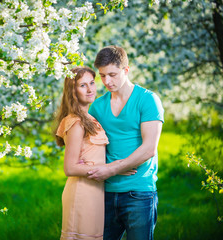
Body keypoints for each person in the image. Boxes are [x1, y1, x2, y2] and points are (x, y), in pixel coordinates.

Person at [87, 45, 164, 240]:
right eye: (102, 76)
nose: (107, 81)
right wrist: (105, 169)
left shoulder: (148, 100)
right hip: (104, 192)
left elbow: (149, 149)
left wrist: (113, 168)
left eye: (112, 74)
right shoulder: (97, 106)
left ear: (126, 70)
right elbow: (88, 148)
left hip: (138, 192)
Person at [54, 66, 136, 240]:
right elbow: (70, 168)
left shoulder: (90, 118)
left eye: (92, 82)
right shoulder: (76, 122)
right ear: (72, 90)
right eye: (83, 85)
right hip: (81, 193)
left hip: (95, 193)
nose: (90, 89)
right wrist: (115, 167)